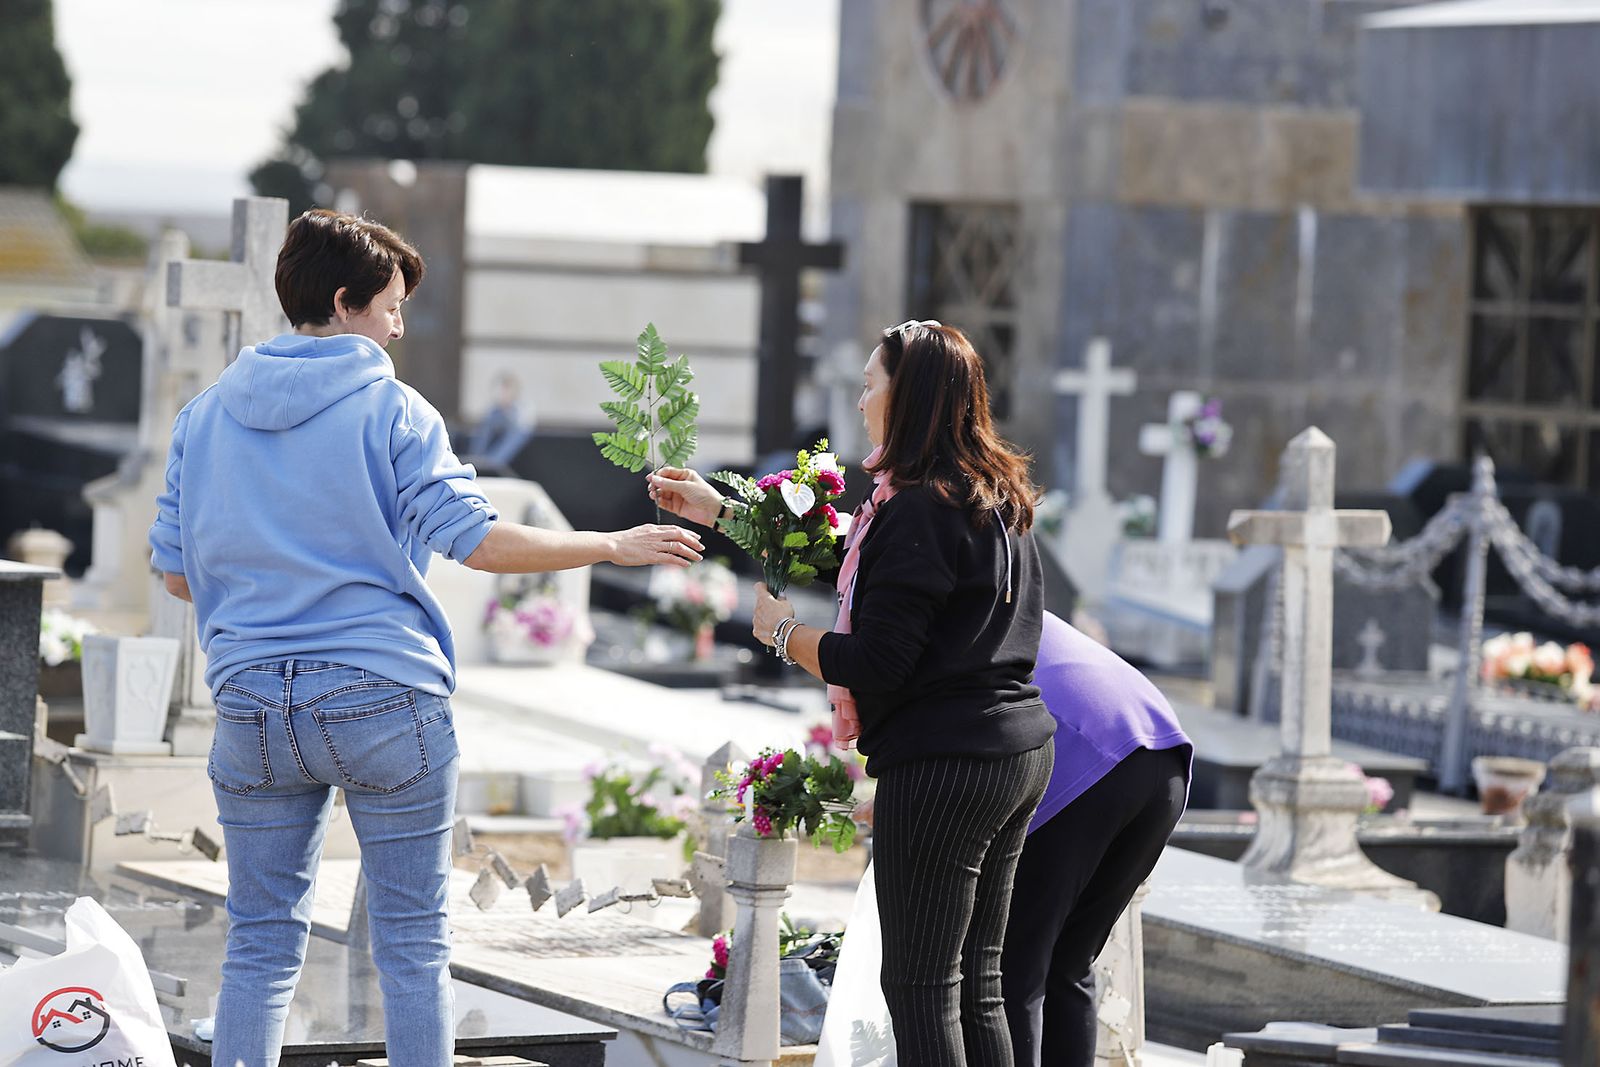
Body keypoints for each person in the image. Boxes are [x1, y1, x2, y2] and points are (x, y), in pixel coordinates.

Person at [149, 208, 703, 1067]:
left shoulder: (203, 416)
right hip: (382, 697)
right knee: (412, 949)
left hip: (252, 704)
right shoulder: (394, 410)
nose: (400, 327)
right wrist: (612, 543)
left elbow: (178, 574)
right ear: (344, 303)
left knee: (258, 946)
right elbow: (477, 541)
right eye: (393, 308)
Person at [650, 320, 1055, 1066]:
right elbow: (853, 556)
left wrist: (782, 635)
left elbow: (876, 661)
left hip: (947, 761)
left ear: (912, 399)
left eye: (872, 385)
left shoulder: (916, 510)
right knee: (979, 986)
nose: (862, 400)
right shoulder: (987, 495)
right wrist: (722, 512)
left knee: (920, 984)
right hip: (1016, 751)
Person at [1001, 611, 1191, 1067]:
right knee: (1069, 961)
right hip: (1162, 756)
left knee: (1014, 966)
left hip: (1090, 758)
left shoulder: (925, 600)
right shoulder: (1004, 586)